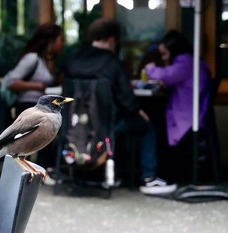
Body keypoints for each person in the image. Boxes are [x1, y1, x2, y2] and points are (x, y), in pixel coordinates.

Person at [63, 17, 177, 195]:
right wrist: (138, 110)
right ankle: (149, 178)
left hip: (73, 127)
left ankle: (82, 173)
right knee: (146, 126)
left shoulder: (73, 60)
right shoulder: (112, 63)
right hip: (107, 129)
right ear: (112, 40)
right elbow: (126, 100)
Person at [4, 23, 65, 183]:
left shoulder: (46, 60)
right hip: (29, 107)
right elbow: (12, 82)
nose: (62, 44)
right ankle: (34, 173)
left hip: (43, 108)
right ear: (50, 40)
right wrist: (41, 86)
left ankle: (40, 171)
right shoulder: (32, 58)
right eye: (60, 39)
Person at [145, 30, 211, 147]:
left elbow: (164, 75)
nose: (164, 58)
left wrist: (150, 68)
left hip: (186, 122)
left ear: (174, 51)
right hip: (193, 117)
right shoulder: (193, 61)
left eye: (165, 54)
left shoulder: (185, 63)